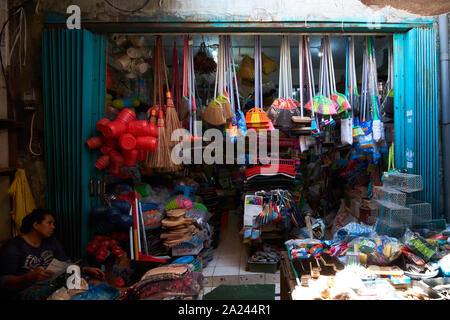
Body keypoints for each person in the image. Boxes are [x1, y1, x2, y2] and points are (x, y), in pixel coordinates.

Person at [0, 209, 105, 300]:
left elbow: (66, 263)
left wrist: (85, 269)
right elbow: (4, 282)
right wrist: (29, 277)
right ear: (36, 225)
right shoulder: (13, 247)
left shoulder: (51, 242)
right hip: (24, 291)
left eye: (53, 224)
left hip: (49, 284)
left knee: (86, 282)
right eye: (49, 223)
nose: (53, 227)